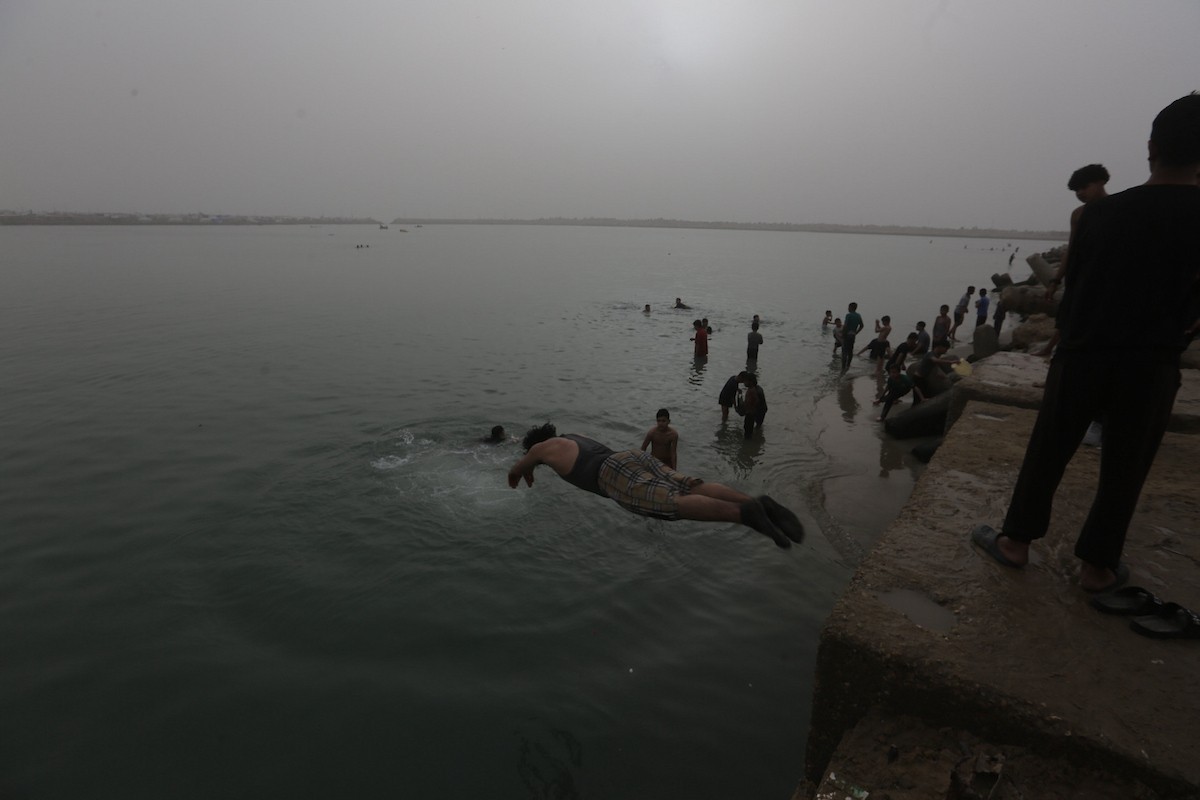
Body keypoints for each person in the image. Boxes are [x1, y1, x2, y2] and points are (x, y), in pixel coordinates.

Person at [971, 93, 1200, 594]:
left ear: (1151, 147)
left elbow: (1081, 286)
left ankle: (1015, 542)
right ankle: (1097, 567)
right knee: (1125, 467)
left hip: (1084, 352)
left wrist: (1060, 337)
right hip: (1152, 361)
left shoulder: (1099, 216)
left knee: (1049, 449)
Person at [508, 423, 805, 548]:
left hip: (608, 475)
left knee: (670, 504)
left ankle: (743, 514)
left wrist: (526, 471)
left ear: (535, 443)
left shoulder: (539, 450)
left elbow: (515, 471)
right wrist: (532, 470)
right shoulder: (571, 436)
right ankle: (754, 502)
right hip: (630, 456)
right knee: (689, 485)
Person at [1036, 164, 1113, 356]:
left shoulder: (1117, 209)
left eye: (1084, 187)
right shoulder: (1078, 214)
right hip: (1079, 273)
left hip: (1105, 274)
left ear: (1101, 182)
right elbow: (1071, 248)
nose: (1080, 193)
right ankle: (1049, 349)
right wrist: (1055, 280)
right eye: (1076, 190)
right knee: (1069, 313)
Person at [739, 373, 767, 439]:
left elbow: (749, 403)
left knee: (747, 433)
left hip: (752, 413)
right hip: (762, 410)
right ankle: (757, 439)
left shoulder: (751, 391)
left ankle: (748, 445)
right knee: (758, 426)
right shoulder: (758, 388)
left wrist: (741, 402)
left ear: (750, 382)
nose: (744, 382)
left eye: (745, 381)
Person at [841, 302, 864, 373]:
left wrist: (842, 333)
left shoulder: (848, 315)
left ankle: (843, 368)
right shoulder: (858, 315)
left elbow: (845, 326)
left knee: (844, 351)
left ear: (851, 307)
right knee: (850, 351)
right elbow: (862, 325)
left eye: (848, 307)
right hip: (853, 335)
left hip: (847, 335)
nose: (848, 308)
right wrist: (856, 332)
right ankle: (848, 365)